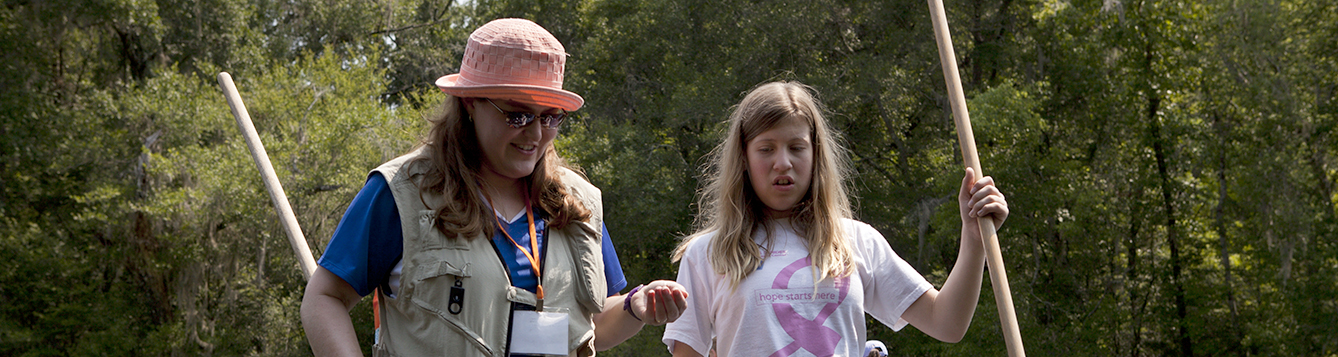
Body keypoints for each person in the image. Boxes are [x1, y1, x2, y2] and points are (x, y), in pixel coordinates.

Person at [301, 18, 687, 357]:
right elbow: (324, 299)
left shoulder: (575, 202)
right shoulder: (403, 192)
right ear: (469, 103)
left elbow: (593, 326)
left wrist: (637, 306)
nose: (535, 134)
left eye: (551, 118)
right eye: (517, 114)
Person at [662, 81, 1009, 356]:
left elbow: (946, 323)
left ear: (815, 156)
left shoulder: (856, 241)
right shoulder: (707, 253)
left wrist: (974, 238)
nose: (782, 162)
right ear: (744, 158)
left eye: (797, 147)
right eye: (766, 148)